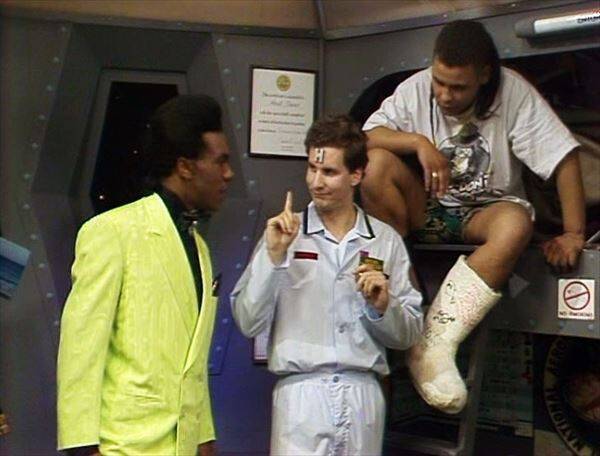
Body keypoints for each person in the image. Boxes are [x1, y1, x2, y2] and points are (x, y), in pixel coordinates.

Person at [361, 20, 586, 413]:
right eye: (439, 82)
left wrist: (574, 233)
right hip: (426, 209)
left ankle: (433, 343)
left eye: (458, 87)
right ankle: (399, 294)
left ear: (484, 76)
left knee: (516, 223)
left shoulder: (513, 92)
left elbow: (563, 159)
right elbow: (366, 137)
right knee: (375, 165)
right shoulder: (416, 89)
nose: (445, 95)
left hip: (484, 212)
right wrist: (417, 142)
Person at [231, 115, 423, 455]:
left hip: (363, 395)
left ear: (357, 175)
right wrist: (273, 258)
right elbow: (248, 321)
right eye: (312, 169)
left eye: (329, 172)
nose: (316, 182)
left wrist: (384, 307)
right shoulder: (283, 234)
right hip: (301, 398)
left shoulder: (384, 241)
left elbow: (408, 334)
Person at [57, 95, 234, 455]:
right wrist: (82, 447)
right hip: (123, 445)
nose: (228, 174)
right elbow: (81, 350)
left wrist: (204, 437)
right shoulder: (112, 232)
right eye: (220, 162)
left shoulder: (199, 246)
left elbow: (192, 363)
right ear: (185, 167)